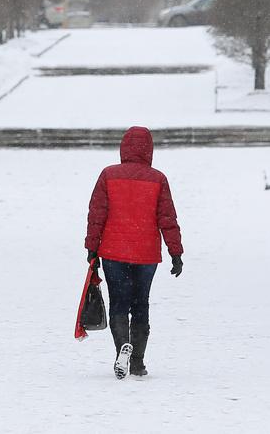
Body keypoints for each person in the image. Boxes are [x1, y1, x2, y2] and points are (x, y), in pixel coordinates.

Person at [84, 126, 184, 379]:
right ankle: (137, 362)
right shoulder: (158, 179)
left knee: (119, 302)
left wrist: (92, 248)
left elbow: (97, 215)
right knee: (141, 305)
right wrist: (176, 252)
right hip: (146, 254)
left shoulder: (108, 175)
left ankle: (122, 350)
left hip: (113, 252)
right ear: (149, 150)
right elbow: (167, 218)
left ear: (123, 148)